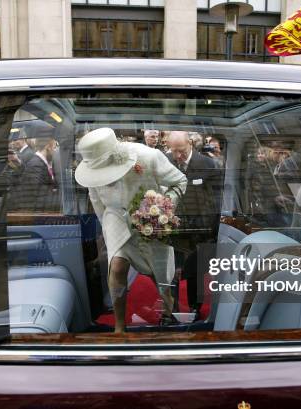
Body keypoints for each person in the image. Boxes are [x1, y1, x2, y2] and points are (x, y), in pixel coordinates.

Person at [75, 127, 187, 333]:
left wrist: (162, 207)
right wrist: (106, 229)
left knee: (158, 272)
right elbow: (96, 201)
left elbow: (180, 181)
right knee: (117, 266)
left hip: (149, 219)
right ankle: (119, 325)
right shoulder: (91, 170)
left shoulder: (149, 156)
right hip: (115, 219)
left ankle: (169, 309)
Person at [166, 131, 222, 317]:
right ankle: (170, 309)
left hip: (199, 227)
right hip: (172, 226)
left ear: (190, 143)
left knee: (195, 272)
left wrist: (210, 225)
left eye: (181, 150)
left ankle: (195, 309)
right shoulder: (166, 160)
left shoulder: (207, 164)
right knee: (170, 270)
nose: (177, 156)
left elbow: (215, 197)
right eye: (173, 151)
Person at [8, 135, 59, 212]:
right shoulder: (36, 165)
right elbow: (36, 194)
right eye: (54, 147)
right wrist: (55, 195)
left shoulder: (40, 163)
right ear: (48, 146)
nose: (55, 151)